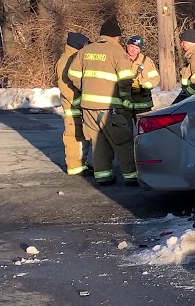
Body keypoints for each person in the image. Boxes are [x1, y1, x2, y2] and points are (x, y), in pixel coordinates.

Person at [72, 17, 138, 186]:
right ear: (116, 37)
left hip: (88, 107)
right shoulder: (117, 52)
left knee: (98, 143)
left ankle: (103, 176)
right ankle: (131, 176)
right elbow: (125, 79)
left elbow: (73, 74)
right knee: (123, 142)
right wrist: (124, 97)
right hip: (109, 108)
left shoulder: (85, 51)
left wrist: (85, 87)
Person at [55, 31, 92, 176]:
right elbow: (66, 86)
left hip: (75, 104)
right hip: (72, 105)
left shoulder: (72, 58)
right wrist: (78, 100)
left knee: (80, 135)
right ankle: (75, 166)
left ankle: (80, 162)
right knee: (74, 137)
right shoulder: (67, 60)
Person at [125, 36, 160, 114]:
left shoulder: (146, 62)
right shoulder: (119, 58)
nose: (133, 50)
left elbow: (155, 78)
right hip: (124, 102)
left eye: (136, 48)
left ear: (140, 50)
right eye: (131, 46)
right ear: (127, 46)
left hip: (142, 102)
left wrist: (143, 85)